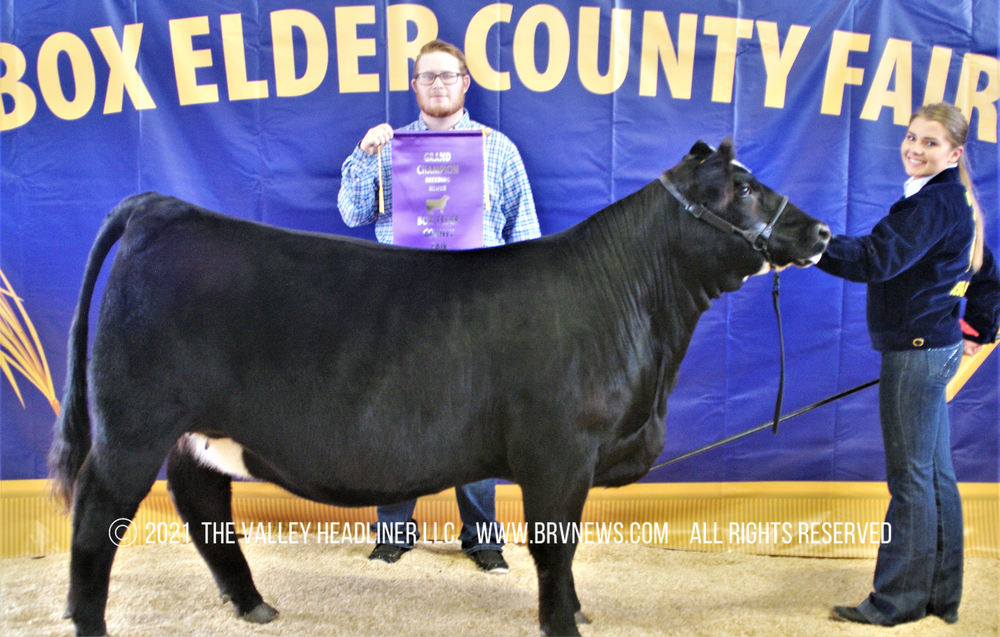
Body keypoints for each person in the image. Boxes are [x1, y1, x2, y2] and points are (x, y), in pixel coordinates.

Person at [337, 39, 540, 573]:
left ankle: (482, 537)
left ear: (465, 82)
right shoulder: (390, 147)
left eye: (447, 76)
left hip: (478, 311)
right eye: (427, 77)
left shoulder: (500, 149)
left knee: (477, 425)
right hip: (401, 310)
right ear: (414, 86)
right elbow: (351, 213)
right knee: (395, 421)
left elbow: (526, 236)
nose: (438, 85)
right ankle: (393, 531)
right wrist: (364, 155)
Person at [817, 102, 1000, 626]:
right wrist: (975, 327)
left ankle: (895, 602)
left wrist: (811, 247)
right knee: (934, 474)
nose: (915, 149)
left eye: (931, 143)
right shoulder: (950, 199)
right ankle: (936, 596)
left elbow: (877, 258)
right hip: (931, 348)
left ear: (955, 152)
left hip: (917, 353)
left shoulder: (935, 204)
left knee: (912, 479)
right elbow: (989, 271)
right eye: (912, 137)